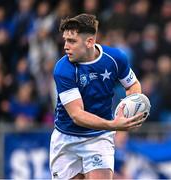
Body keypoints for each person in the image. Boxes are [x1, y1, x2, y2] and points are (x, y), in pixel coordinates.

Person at [50, 13, 146, 179]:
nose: (66, 46)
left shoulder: (115, 58)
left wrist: (129, 111)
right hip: (67, 140)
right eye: (65, 40)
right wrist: (114, 125)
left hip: (99, 138)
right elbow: (77, 115)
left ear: (90, 42)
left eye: (72, 41)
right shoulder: (63, 69)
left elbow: (132, 85)